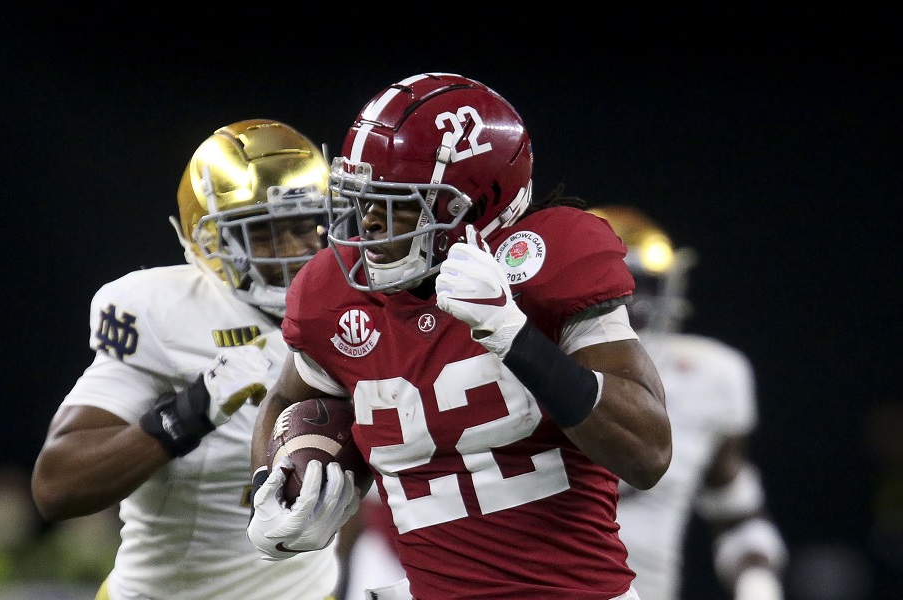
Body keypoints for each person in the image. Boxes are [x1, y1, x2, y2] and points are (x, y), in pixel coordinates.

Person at [246, 73, 672, 600]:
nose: (370, 223)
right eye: (363, 198)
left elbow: (647, 454)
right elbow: (290, 399)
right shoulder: (334, 294)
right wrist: (273, 482)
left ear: (476, 204)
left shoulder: (550, 265)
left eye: (399, 201)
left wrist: (515, 337)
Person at [31, 119, 348, 600]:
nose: (293, 253)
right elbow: (56, 485)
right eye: (264, 233)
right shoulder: (165, 315)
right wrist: (190, 411)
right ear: (211, 242)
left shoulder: (355, 306)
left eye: (305, 225)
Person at [586, 204, 788, 600]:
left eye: (641, 288)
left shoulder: (710, 375)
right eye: (612, 289)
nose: (630, 307)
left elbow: (736, 513)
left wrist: (758, 587)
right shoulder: (512, 367)